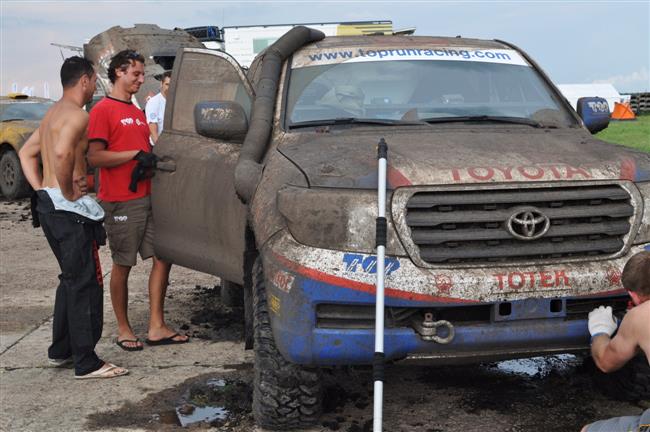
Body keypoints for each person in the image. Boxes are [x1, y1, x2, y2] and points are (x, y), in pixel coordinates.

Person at [18, 56, 128, 379]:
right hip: (67, 211)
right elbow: (65, 153)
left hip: (48, 207)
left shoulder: (51, 114)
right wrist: (66, 191)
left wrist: (44, 189)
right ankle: (86, 361)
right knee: (84, 281)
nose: (95, 87)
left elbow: (26, 154)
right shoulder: (79, 116)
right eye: (94, 81)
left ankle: (62, 350)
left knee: (69, 278)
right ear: (84, 80)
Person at [87, 50, 189, 351]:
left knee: (163, 256)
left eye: (142, 74)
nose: (141, 79)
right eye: (136, 74)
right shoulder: (103, 110)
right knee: (123, 264)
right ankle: (123, 328)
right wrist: (132, 155)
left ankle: (157, 326)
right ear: (119, 72)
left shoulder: (134, 109)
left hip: (147, 197)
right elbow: (95, 157)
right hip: (120, 201)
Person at [582, 250, 650, 432]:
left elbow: (605, 362)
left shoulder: (640, 317)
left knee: (589, 430)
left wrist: (599, 331)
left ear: (633, 295)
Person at [145, 70, 171, 145]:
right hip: (159, 146)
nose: (170, 88)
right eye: (167, 84)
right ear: (161, 84)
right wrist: (161, 151)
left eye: (172, 85)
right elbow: (153, 133)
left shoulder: (178, 100)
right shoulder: (153, 103)